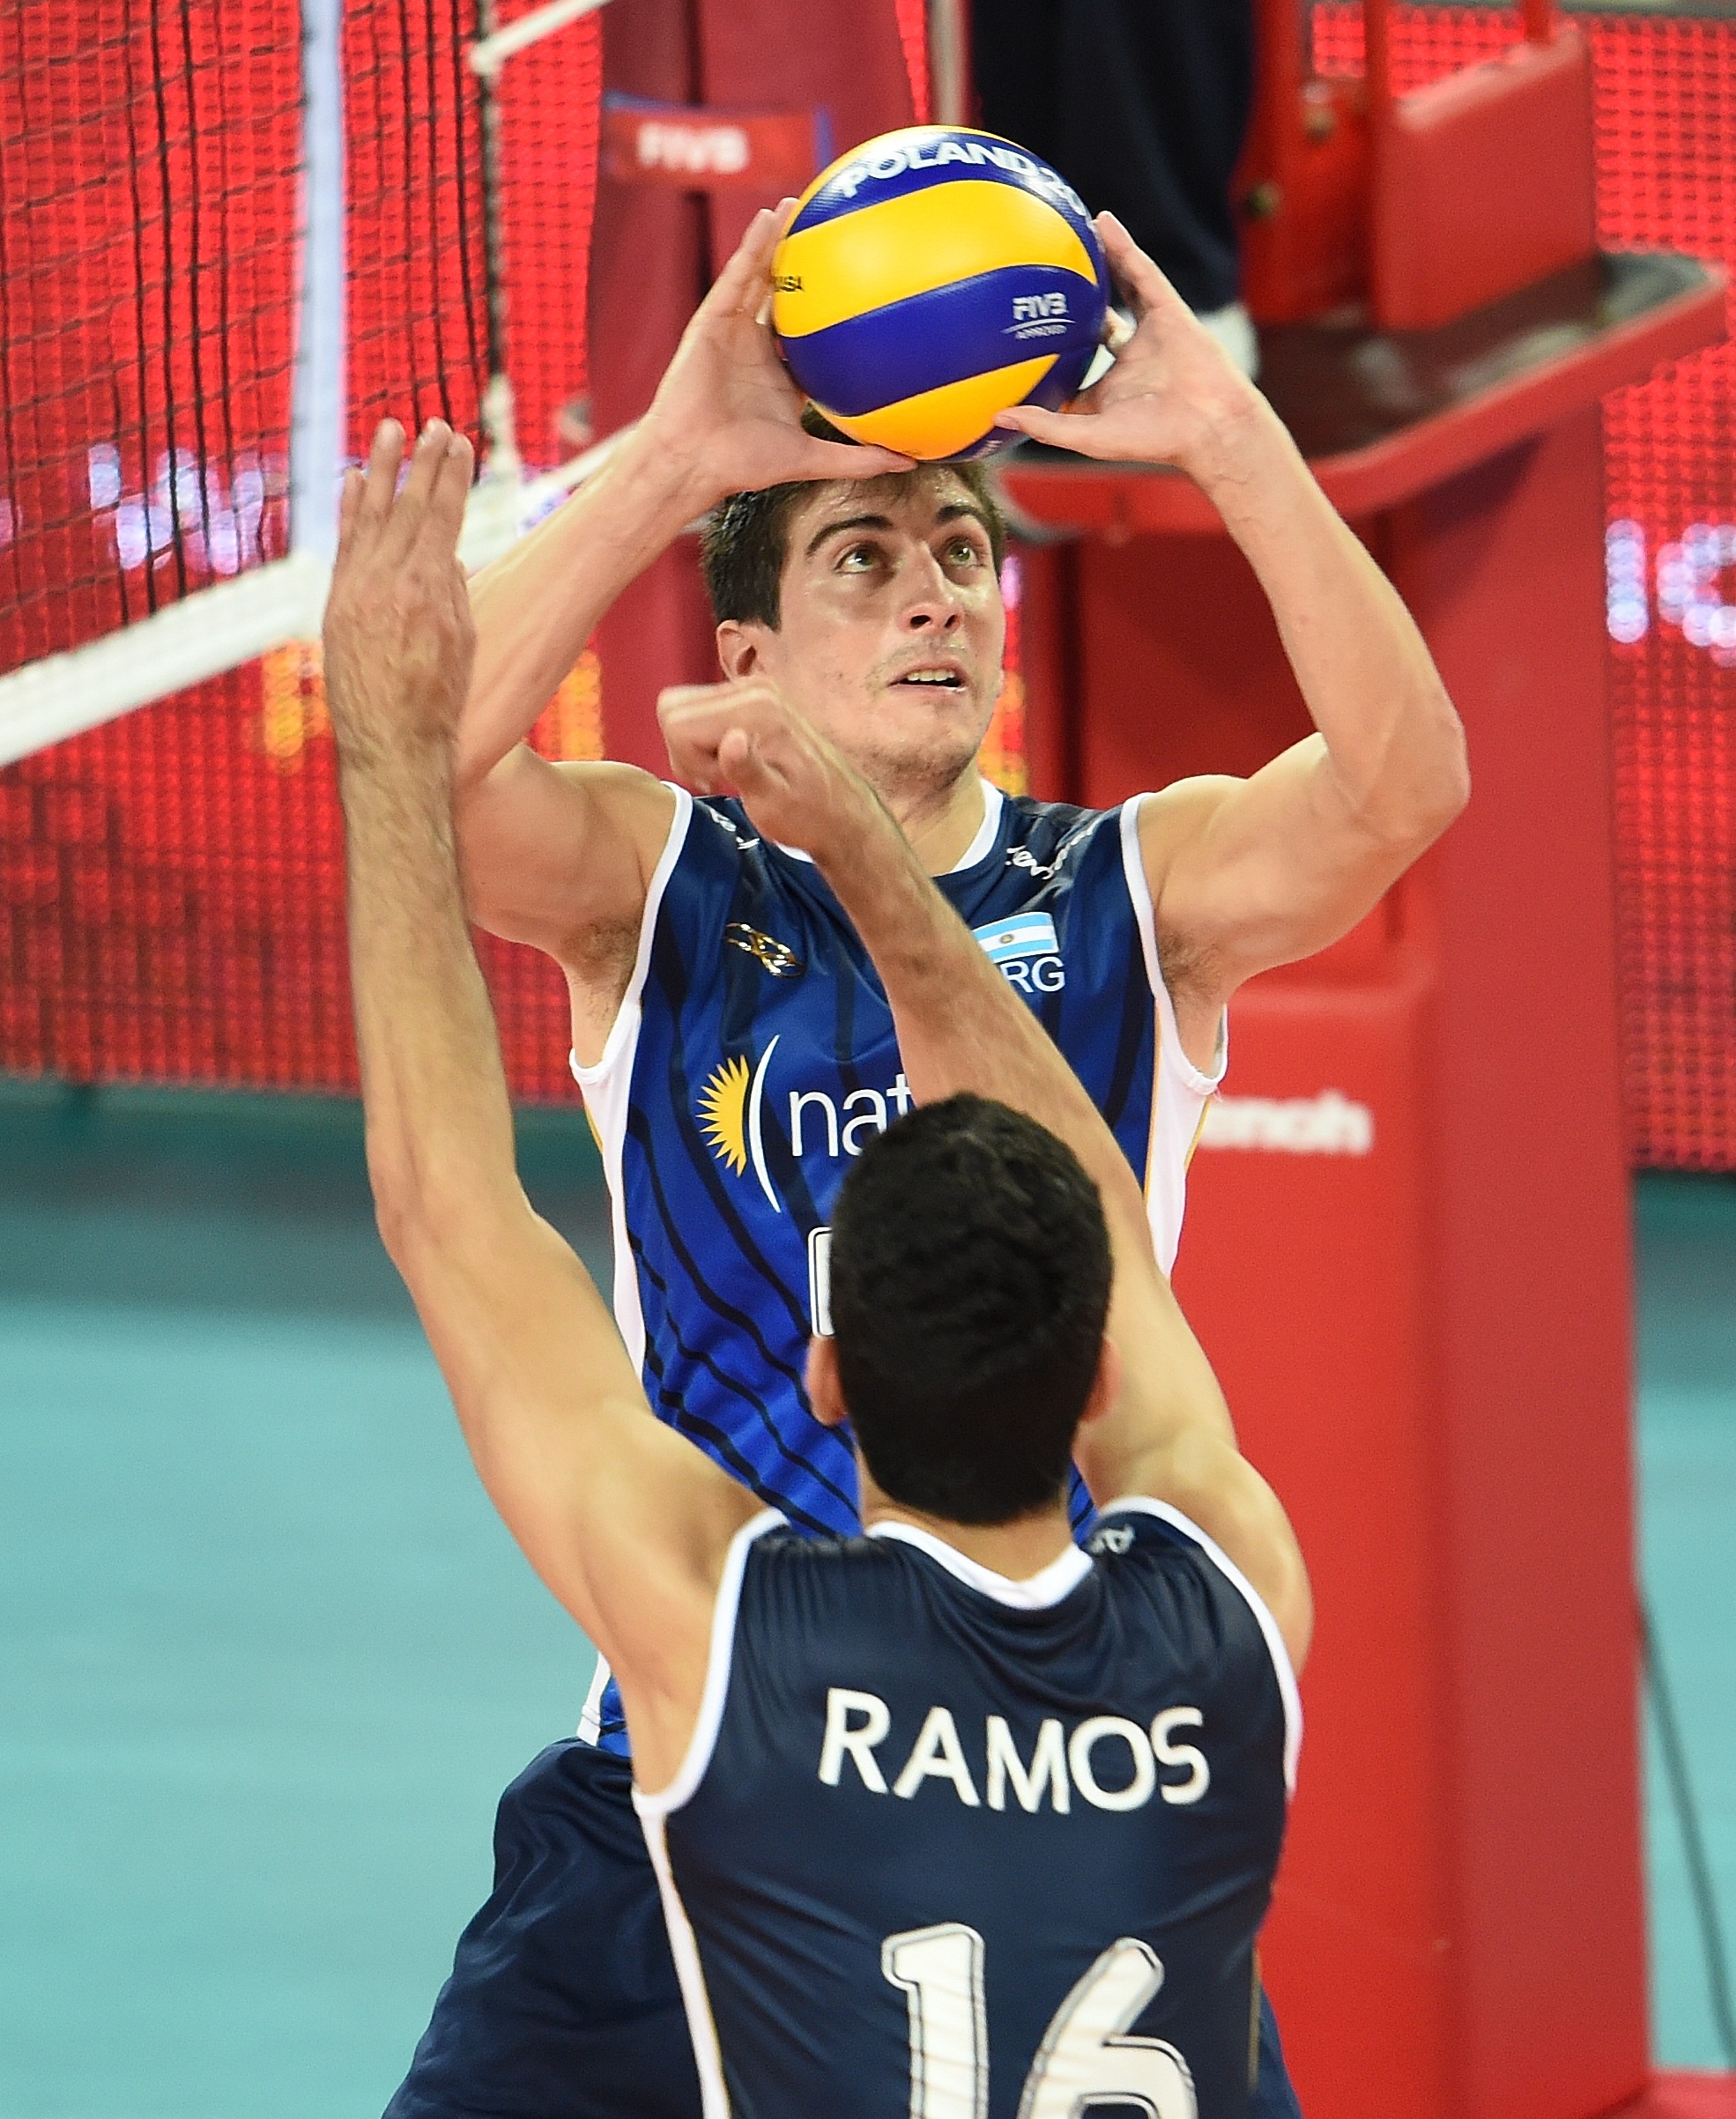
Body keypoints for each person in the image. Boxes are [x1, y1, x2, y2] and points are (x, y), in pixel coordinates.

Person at [390, 196, 1466, 2118]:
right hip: (708, 1716)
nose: (938, 594)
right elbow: (418, 772)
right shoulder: (664, 879)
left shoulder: (1126, 889)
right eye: (869, 557)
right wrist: (670, 463)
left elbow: (1406, 789)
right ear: (748, 647)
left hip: (1049, 1737)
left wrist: (1227, 433)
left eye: (964, 552)